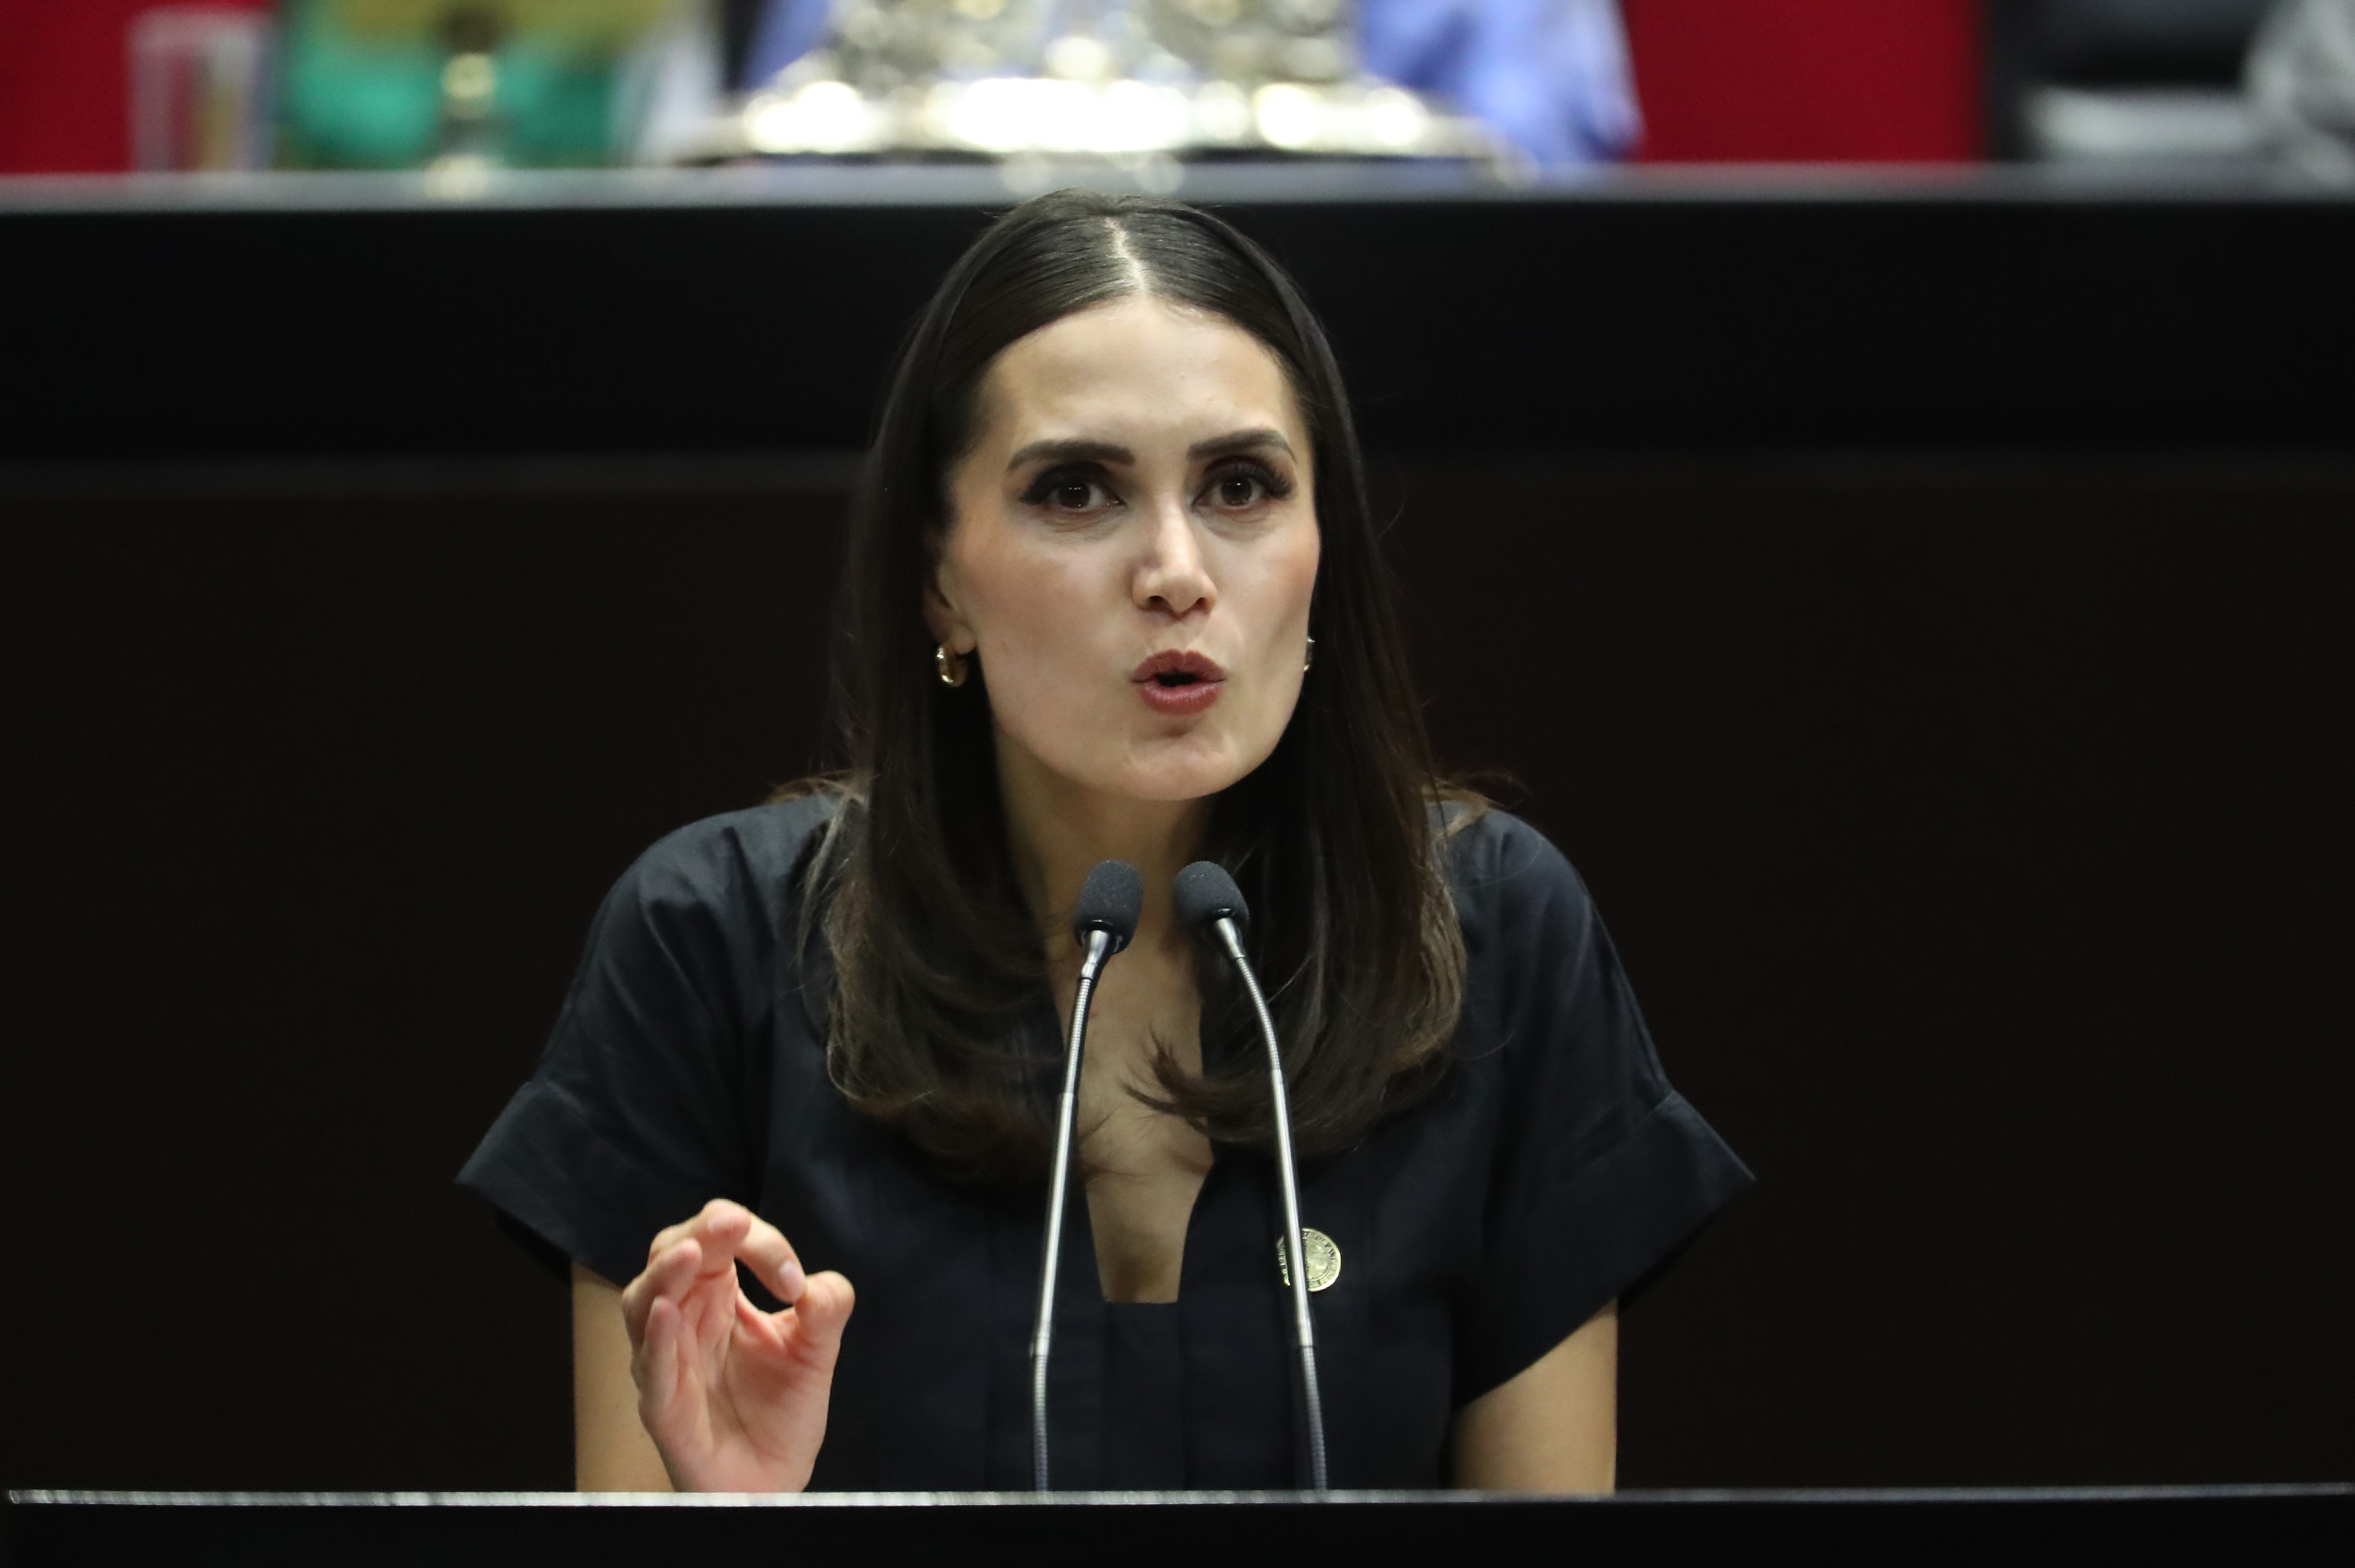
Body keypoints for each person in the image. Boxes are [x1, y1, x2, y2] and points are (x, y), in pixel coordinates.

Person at [460, 189, 1750, 1494]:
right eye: (1076, 491)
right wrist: (733, 1528)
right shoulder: (712, 942)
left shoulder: (1492, 933)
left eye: (1241, 486)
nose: (1176, 570)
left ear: (1325, 549)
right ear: (939, 581)